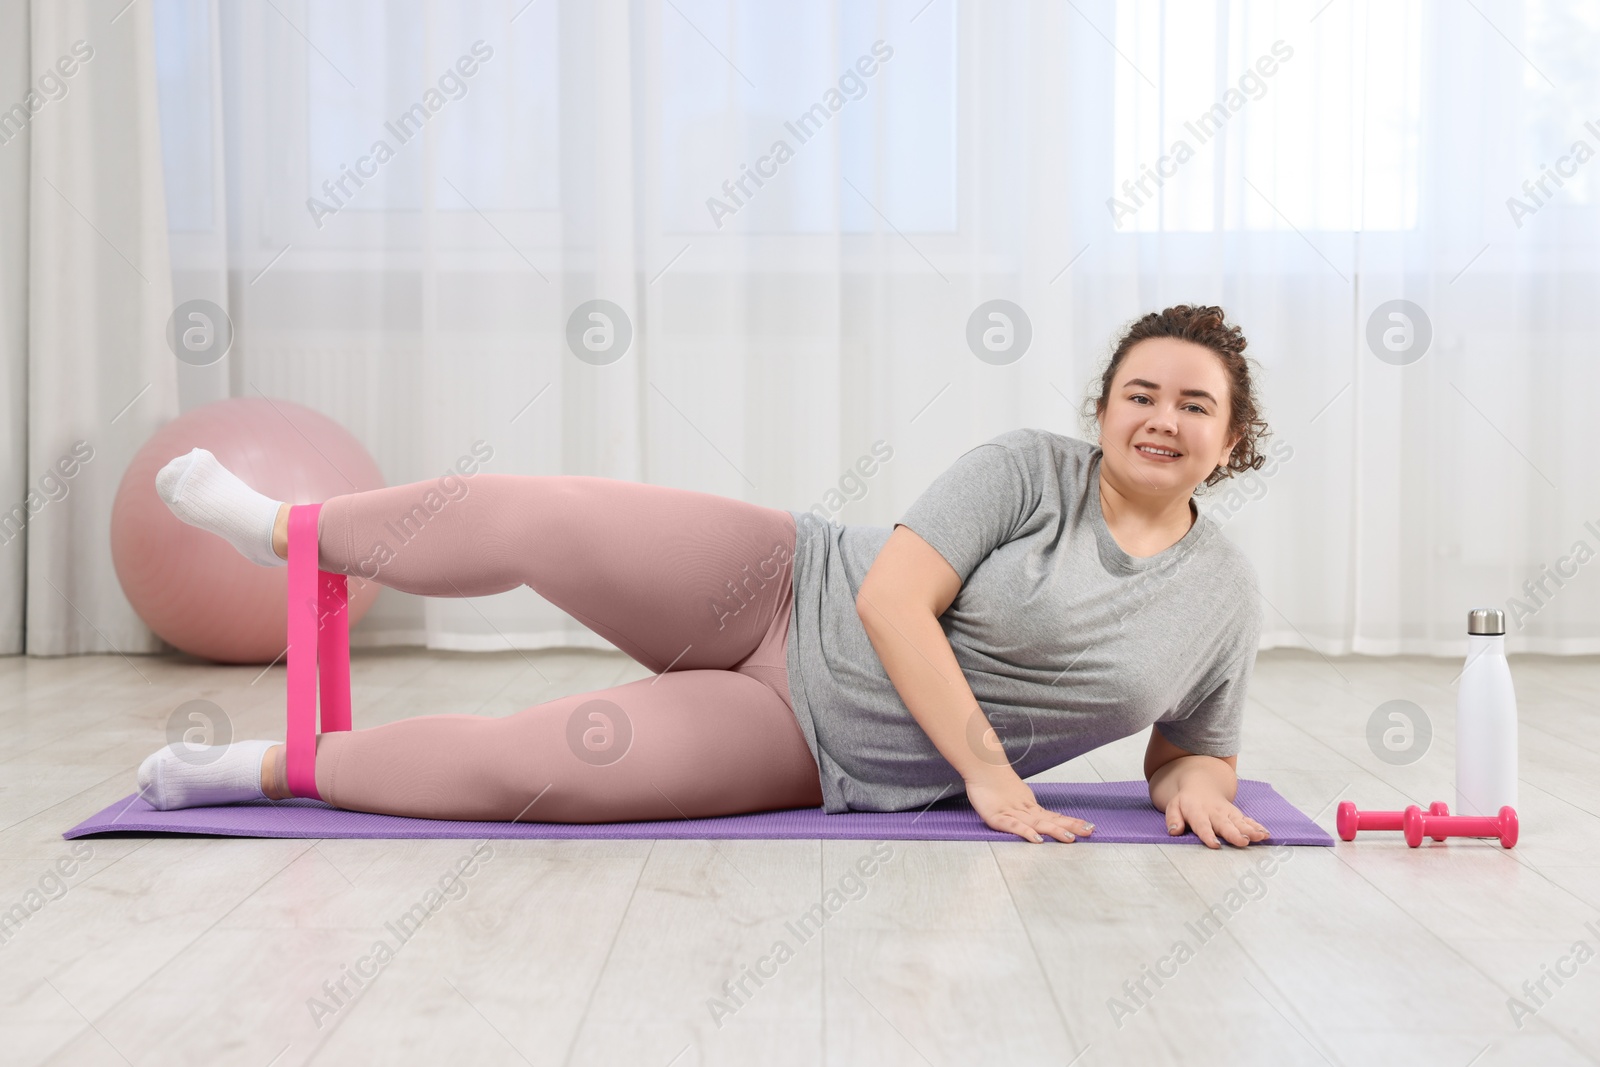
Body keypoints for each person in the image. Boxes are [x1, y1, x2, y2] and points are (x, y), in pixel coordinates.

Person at [135, 303, 1272, 849]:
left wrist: (1193, 791)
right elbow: (888, 598)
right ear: (1104, 406)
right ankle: (279, 525)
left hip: (810, 740)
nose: (1161, 419)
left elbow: (1190, 751)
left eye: (1193, 404)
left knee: (539, 768)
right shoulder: (1027, 469)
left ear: (1232, 439)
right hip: (785, 581)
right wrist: (987, 771)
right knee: (545, 513)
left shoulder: (1220, 597)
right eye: (1141, 393)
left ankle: (261, 768)